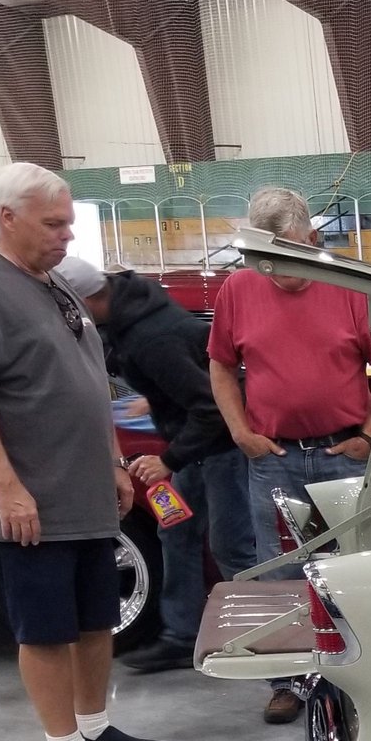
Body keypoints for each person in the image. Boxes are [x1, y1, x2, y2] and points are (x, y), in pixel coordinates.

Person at [0, 162, 168, 741]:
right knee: (44, 628)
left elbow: (91, 385)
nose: (67, 235)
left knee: (97, 618)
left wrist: (114, 462)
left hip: (85, 489)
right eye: (54, 224)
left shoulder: (56, 284)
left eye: (68, 223)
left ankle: (94, 726)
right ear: (6, 217)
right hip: (30, 500)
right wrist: (7, 487)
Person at [208, 185, 371, 723]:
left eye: (288, 255)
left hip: (344, 456)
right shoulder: (238, 289)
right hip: (275, 460)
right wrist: (240, 431)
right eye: (267, 259)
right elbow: (221, 364)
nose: (279, 271)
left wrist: (368, 435)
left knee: (353, 570)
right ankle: (289, 679)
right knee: (283, 573)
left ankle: (359, 676)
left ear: (313, 240)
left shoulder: (350, 288)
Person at [52, 255, 255, 673]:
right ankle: (181, 635)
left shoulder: (151, 337)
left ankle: (262, 639)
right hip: (194, 445)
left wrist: (167, 460)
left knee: (231, 547)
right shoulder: (133, 307)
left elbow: (212, 409)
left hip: (221, 450)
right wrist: (159, 396)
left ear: (86, 300)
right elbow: (189, 373)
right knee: (176, 531)